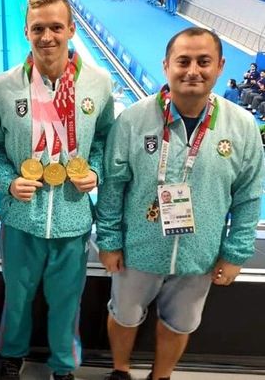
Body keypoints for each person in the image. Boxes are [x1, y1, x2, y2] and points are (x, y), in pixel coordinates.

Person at [96, 27, 264, 380]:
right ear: (166, 65)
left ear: (220, 66)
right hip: (138, 248)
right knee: (124, 315)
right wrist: (109, 241)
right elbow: (112, 186)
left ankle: (161, 376)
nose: (193, 71)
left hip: (199, 253)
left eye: (204, 62)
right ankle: (120, 372)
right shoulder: (133, 119)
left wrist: (235, 254)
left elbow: (249, 196)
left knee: (180, 323)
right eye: (183, 61)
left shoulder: (242, 126)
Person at [0, 0, 114, 380]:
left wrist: (95, 171)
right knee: (17, 298)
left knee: (66, 302)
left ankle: (63, 366)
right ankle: (12, 354)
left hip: (72, 219)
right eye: (38, 28)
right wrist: (9, 182)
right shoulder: (3, 87)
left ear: (71, 29)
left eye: (56, 27)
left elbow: (105, 138)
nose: (47, 37)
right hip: (21, 219)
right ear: (26, 31)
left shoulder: (98, 83)